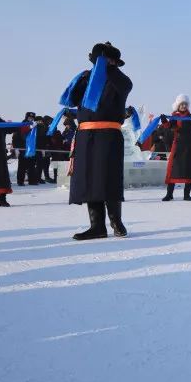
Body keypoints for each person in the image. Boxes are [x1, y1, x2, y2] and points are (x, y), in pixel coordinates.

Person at [66, 42, 133, 240]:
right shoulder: (87, 79)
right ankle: (97, 226)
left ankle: (116, 221)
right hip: (85, 134)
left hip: (108, 135)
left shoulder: (120, 80)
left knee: (109, 177)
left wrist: (106, 67)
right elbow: (71, 98)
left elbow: (123, 85)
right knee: (89, 179)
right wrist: (85, 76)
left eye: (107, 60)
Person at [162, 94, 191, 201]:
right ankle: (169, 194)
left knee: (189, 171)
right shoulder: (174, 117)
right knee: (174, 170)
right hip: (178, 146)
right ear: (178, 105)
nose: (183, 106)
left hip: (190, 147)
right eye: (182, 104)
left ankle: (187, 195)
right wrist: (164, 120)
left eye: (185, 104)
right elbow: (168, 126)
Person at [15, 111, 38, 185]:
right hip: (23, 148)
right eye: (30, 117)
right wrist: (16, 148)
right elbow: (17, 137)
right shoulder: (22, 124)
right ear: (26, 117)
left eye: (32, 118)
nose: (31, 119)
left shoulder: (34, 125)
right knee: (22, 166)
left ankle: (32, 180)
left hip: (31, 148)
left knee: (31, 165)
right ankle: (20, 181)